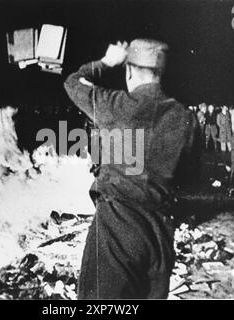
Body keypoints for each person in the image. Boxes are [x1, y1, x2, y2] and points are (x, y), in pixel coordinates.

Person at [64, 39, 197, 299]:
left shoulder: (116, 105)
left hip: (118, 228)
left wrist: (105, 62)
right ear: (160, 73)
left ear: (129, 71)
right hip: (160, 234)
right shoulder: (185, 117)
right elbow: (189, 177)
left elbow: (73, 82)